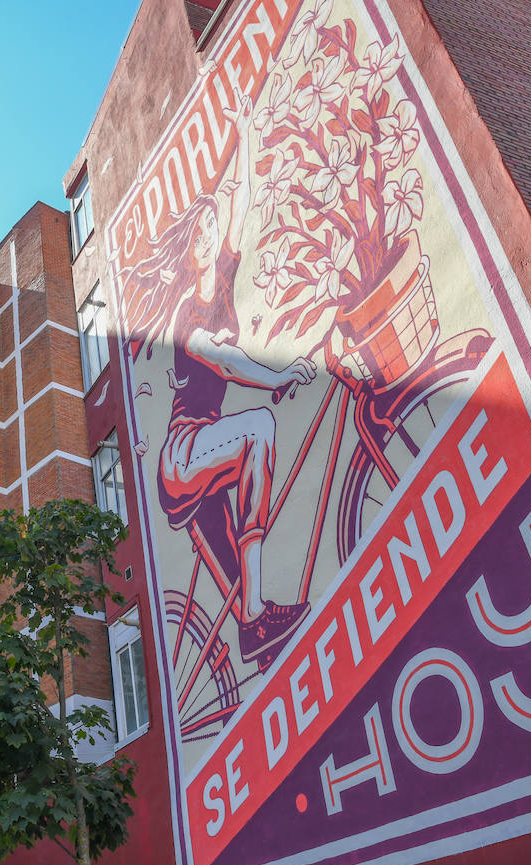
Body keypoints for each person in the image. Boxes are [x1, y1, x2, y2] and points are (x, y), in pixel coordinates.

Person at [122, 95, 316, 663]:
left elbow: (245, 205)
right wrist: (277, 377)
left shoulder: (224, 280)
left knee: (232, 561)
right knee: (259, 427)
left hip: (209, 450)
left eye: (211, 226)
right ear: (188, 249)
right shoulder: (187, 311)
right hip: (184, 454)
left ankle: (252, 623)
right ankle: (255, 613)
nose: (209, 235)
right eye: (200, 232)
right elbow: (224, 361)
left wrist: (247, 133)